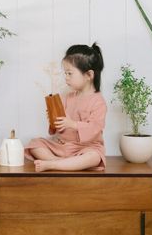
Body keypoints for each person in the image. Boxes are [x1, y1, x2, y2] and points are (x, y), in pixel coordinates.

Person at [26, 43, 107, 173]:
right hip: (63, 146)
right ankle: (60, 162)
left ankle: (53, 165)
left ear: (89, 75)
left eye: (70, 73)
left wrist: (73, 124)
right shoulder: (67, 97)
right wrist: (54, 120)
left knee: (94, 157)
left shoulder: (98, 102)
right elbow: (60, 127)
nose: (66, 78)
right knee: (35, 144)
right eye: (65, 73)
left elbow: (95, 128)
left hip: (85, 148)